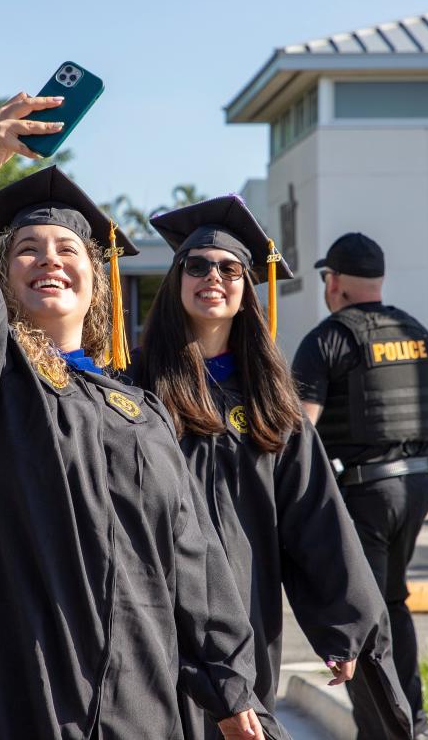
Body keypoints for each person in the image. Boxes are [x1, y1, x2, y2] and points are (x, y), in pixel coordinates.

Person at [0, 92, 267, 740]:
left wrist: (230, 685)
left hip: (135, 695)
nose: (49, 257)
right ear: (0, 275)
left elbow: (192, 556)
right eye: (26, 249)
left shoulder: (141, 411)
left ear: (96, 280)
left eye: (67, 249)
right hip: (7, 690)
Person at [131, 196, 412, 740]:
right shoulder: (133, 386)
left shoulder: (270, 402)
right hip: (150, 597)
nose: (213, 277)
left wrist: (344, 623)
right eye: (198, 265)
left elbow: (314, 515)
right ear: (176, 279)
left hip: (242, 601)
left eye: (230, 268)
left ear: (246, 291)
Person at [292, 233, 428, 740]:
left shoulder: (327, 339)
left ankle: (383, 732)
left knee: (363, 615)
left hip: (363, 495)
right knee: (393, 604)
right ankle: (413, 722)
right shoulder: (417, 332)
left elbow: (301, 433)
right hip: (416, 486)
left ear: (333, 282)